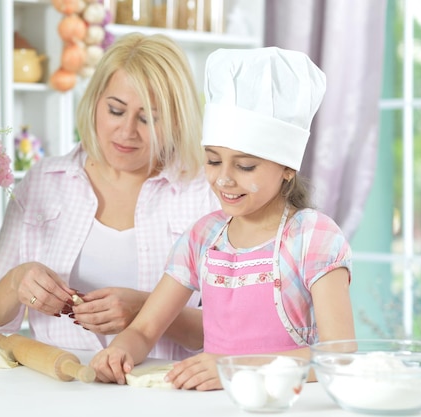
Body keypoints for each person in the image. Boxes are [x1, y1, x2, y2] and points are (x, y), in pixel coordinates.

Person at [89, 46, 355, 390]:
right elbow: (144, 329)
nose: (224, 179)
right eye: (213, 161)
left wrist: (236, 367)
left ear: (288, 168)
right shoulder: (203, 237)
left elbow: (339, 355)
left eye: (245, 166)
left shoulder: (313, 237)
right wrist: (121, 349)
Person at [0, 33, 220, 360]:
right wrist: (18, 282)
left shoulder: (204, 193)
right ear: (95, 101)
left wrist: (146, 310)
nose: (127, 131)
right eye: (116, 110)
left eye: (148, 118)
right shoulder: (45, 181)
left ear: (175, 120)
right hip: (61, 385)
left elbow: (231, 326)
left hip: (161, 391)